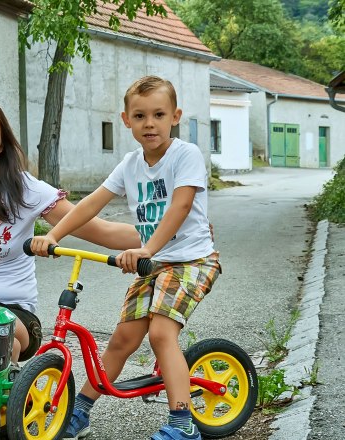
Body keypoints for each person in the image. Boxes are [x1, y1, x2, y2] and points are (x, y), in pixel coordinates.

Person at [31, 76, 221, 440]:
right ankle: (80, 411)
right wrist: (53, 234)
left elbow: (180, 206)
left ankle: (183, 425)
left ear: (175, 116)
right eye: (140, 116)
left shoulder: (186, 155)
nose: (149, 123)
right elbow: (92, 203)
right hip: (154, 266)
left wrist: (147, 249)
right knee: (122, 339)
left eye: (158, 114)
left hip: (192, 262)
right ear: (126, 120)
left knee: (162, 333)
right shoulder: (131, 164)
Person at [0, 98, 142, 364]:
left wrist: (173, 235)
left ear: (1, 146)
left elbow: (101, 231)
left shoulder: (25, 190)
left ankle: (1, 403)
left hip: (14, 314)